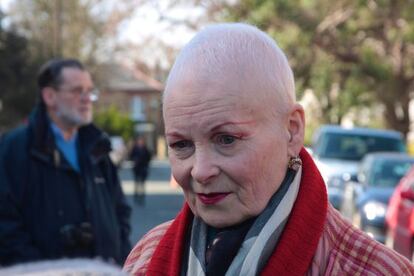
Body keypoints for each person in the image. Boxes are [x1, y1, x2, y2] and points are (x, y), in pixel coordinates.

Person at [123, 23, 414, 275]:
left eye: (226, 139)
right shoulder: (143, 259)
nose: (201, 171)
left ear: (292, 130)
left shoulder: (375, 270)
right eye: (181, 145)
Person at [0, 58, 131, 266]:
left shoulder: (98, 148)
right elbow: (5, 222)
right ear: (49, 96)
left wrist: (120, 258)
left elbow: (120, 212)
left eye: (90, 91)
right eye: (78, 91)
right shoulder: (14, 149)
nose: (87, 98)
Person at [129, 137, 152, 204]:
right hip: (136, 168)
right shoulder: (135, 148)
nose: (141, 143)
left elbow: (149, 158)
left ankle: (142, 197)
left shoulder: (145, 149)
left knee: (142, 184)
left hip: (143, 168)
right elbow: (130, 156)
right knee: (136, 183)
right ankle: (136, 196)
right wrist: (134, 160)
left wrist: (146, 164)